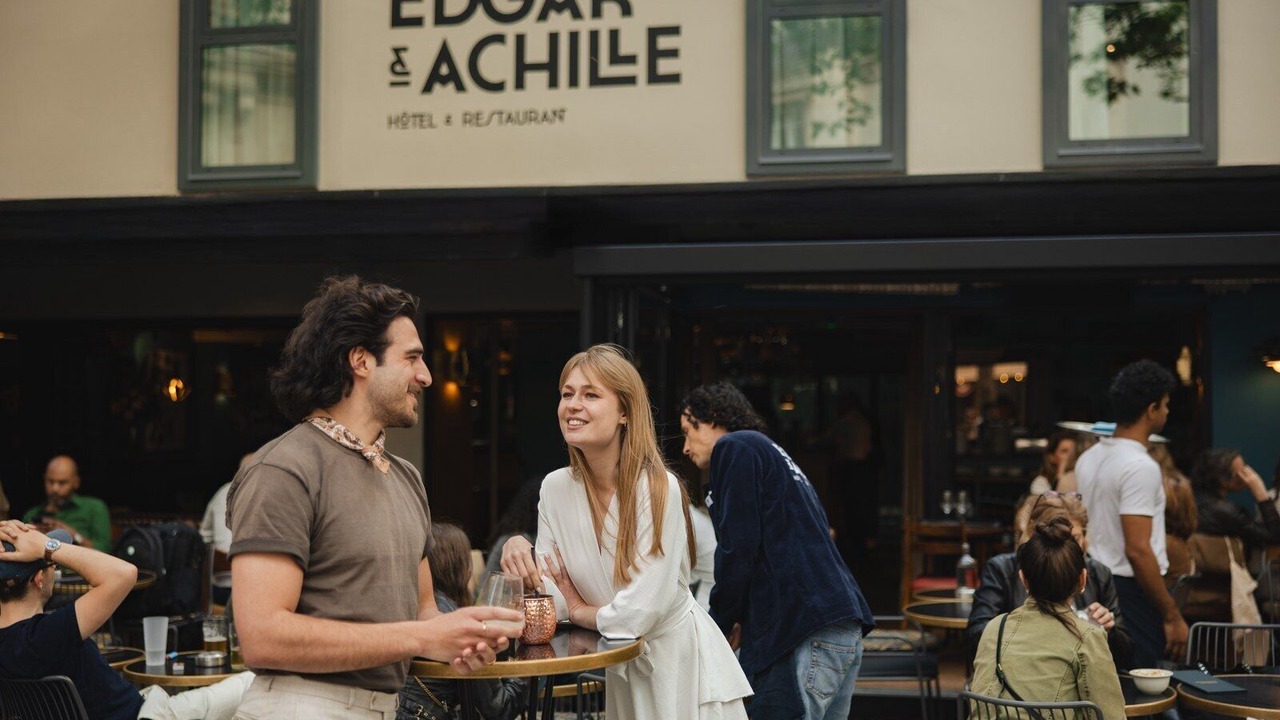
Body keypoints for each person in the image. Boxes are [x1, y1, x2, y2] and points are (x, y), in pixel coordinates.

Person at [227, 276, 519, 719]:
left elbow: (423, 614)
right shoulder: (283, 469)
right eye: (412, 358)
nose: (426, 376)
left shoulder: (406, 478)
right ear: (361, 360)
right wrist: (421, 639)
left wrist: (462, 638)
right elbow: (263, 636)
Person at [501, 345, 752, 719]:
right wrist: (518, 545)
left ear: (624, 413)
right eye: (567, 394)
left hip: (683, 672)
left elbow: (638, 614)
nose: (572, 404)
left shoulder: (657, 488)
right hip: (623, 672)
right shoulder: (554, 489)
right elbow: (552, 603)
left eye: (590, 394)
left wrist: (583, 609)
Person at [680, 382, 875, 720]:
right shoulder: (772, 453)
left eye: (687, 431)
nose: (685, 447)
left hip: (801, 630)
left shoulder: (734, 446)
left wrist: (719, 626)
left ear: (710, 418)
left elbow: (736, 547)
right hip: (840, 625)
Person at [0, 520, 254, 720]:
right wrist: (48, 547)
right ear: (38, 580)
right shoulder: (44, 635)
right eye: (51, 566)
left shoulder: (18, 641)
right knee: (253, 681)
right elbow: (123, 573)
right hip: (146, 715)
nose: (55, 569)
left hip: (146, 705)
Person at [1076, 359, 1186, 668]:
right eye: (1165, 405)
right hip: (1130, 589)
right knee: (1140, 681)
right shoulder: (1141, 466)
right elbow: (1138, 550)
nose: (1167, 412)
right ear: (1151, 409)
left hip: (1093, 582)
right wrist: (1171, 614)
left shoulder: (1090, 455)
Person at [970, 517, 1125, 720]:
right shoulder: (1089, 636)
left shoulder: (995, 628)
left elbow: (981, 710)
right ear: (1082, 579)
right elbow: (1110, 716)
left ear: (1023, 579)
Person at [966, 492, 1132, 671]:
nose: (1065, 548)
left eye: (1074, 539)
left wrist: (1109, 631)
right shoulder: (1003, 569)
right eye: (1053, 540)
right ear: (1033, 536)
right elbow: (975, 638)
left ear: (1084, 539)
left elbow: (1125, 655)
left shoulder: (1098, 574)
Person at [399, 523, 525, 720]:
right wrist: (529, 669)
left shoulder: (408, 607)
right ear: (459, 567)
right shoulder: (453, 623)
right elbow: (500, 709)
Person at [1190, 448, 1280, 549]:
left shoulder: (1191, 501)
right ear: (1223, 480)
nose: (1248, 476)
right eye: (1241, 472)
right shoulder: (1229, 512)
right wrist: (1261, 493)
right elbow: (1275, 536)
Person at [22, 455, 111, 550]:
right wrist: (35, 536)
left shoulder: (94, 508)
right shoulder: (32, 514)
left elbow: (104, 550)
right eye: (50, 481)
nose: (55, 488)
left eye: (62, 483)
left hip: (78, 563)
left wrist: (73, 535)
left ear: (76, 482)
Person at [201, 453, 253, 606]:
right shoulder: (228, 493)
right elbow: (226, 549)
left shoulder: (259, 494)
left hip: (244, 580)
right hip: (222, 584)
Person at [1029, 431, 1076, 495]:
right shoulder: (1041, 482)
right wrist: (1060, 479)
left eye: (1074, 451)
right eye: (1064, 451)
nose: (1071, 456)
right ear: (1051, 457)